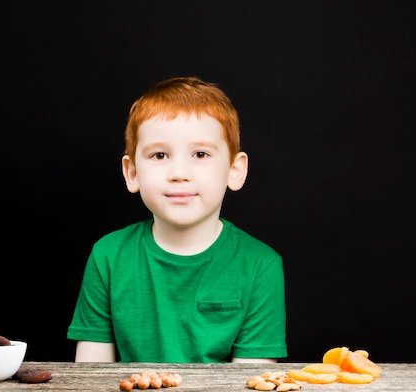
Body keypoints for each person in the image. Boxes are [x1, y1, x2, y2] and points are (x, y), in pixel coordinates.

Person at [67, 76, 287, 363]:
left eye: (200, 153)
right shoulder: (108, 255)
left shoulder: (260, 265)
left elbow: (250, 386)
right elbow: (90, 377)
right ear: (132, 173)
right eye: (159, 155)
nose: (179, 172)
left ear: (235, 170)